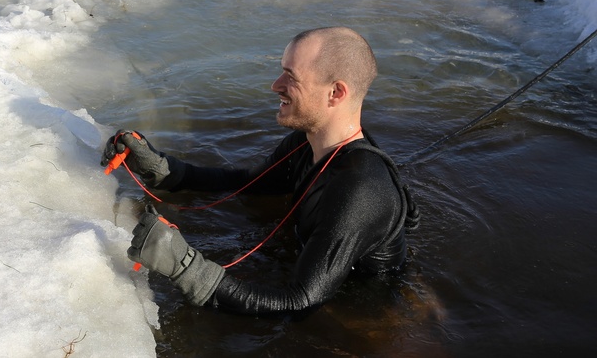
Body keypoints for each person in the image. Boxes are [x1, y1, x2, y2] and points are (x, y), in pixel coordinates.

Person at [101, 26, 419, 315]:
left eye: (290, 77)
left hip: (364, 311)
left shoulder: (359, 188)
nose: (274, 85)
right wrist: (163, 169)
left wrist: (189, 269)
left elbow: (301, 300)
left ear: (335, 93)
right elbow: (246, 184)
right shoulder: (304, 142)